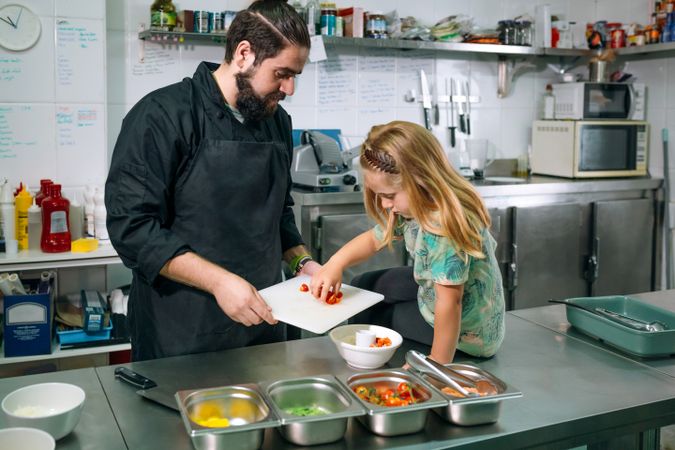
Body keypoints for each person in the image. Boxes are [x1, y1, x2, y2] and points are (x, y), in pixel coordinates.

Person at [105, 0, 319, 361]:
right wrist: (220, 282)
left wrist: (303, 264)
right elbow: (133, 229)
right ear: (244, 54)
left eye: (295, 75)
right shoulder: (162, 116)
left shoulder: (277, 122)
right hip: (183, 330)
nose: (290, 88)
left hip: (264, 321)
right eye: (282, 73)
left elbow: (278, 213)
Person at [310, 121, 505, 364]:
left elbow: (450, 303)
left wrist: (435, 364)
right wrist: (334, 264)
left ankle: (372, 361)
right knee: (364, 284)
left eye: (389, 196)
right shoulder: (418, 204)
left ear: (419, 180)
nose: (384, 205)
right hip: (438, 293)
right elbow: (373, 239)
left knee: (377, 316)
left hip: (471, 334)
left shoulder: (443, 226)